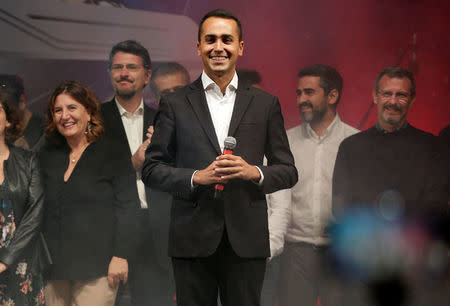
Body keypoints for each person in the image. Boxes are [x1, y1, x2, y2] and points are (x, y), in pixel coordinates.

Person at [142, 9, 297, 306]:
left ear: (240, 47)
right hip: (191, 239)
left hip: (246, 241)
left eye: (227, 39)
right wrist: (195, 177)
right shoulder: (175, 103)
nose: (218, 47)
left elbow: (288, 171)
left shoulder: (265, 104)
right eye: (210, 39)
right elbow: (151, 169)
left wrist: (254, 172)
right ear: (198, 47)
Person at [332, 66, 447, 305]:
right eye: (387, 94)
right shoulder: (351, 147)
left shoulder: (432, 146)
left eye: (401, 95)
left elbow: (436, 205)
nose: (393, 101)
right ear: (374, 96)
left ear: (412, 100)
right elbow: (341, 206)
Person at [41, 80, 137, 305]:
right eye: (58, 110)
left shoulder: (112, 152)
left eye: (72, 108)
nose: (65, 116)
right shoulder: (47, 155)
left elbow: (128, 208)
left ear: (90, 112)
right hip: (54, 269)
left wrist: (121, 256)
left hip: (98, 269)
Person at [271, 64, 358, 306]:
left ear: (332, 96)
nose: (301, 99)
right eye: (299, 93)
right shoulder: (284, 142)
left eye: (309, 92)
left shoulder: (356, 142)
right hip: (295, 255)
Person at [102, 40, 176, 306]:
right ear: (110, 73)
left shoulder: (165, 119)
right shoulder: (93, 119)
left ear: (146, 76)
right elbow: (86, 175)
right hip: (109, 234)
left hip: (156, 235)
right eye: (117, 67)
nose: (124, 73)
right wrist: (132, 162)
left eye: (131, 67)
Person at [0, 92, 45, 305]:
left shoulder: (27, 160)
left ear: (8, 120)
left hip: (19, 261)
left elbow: (35, 214)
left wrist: (5, 260)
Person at [0, 75, 45, 150]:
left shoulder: (46, 132)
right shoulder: (6, 136)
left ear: (22, 102)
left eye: (7, 111)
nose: (3, 117)